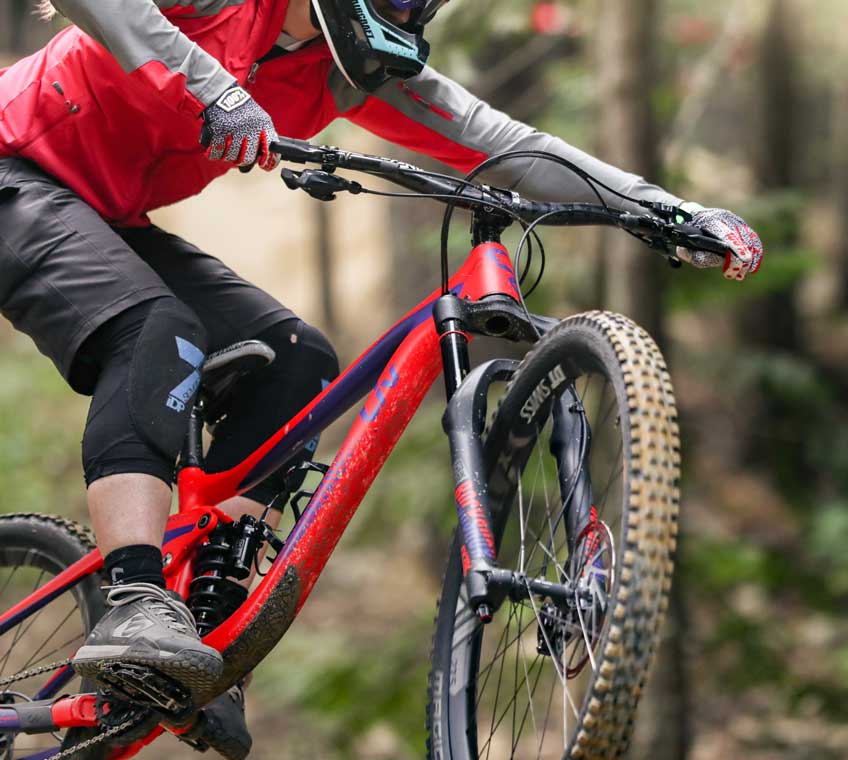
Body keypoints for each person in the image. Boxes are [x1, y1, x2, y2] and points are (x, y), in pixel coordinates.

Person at [0, 0, 764, 755]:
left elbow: (512, 146)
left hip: (106, 214)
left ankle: (200, 630)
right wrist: (216, 86)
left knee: (297, 360)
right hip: (15, 171)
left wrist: (663, 211)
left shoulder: (356, 71)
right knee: (157, 332)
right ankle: (135, 598)